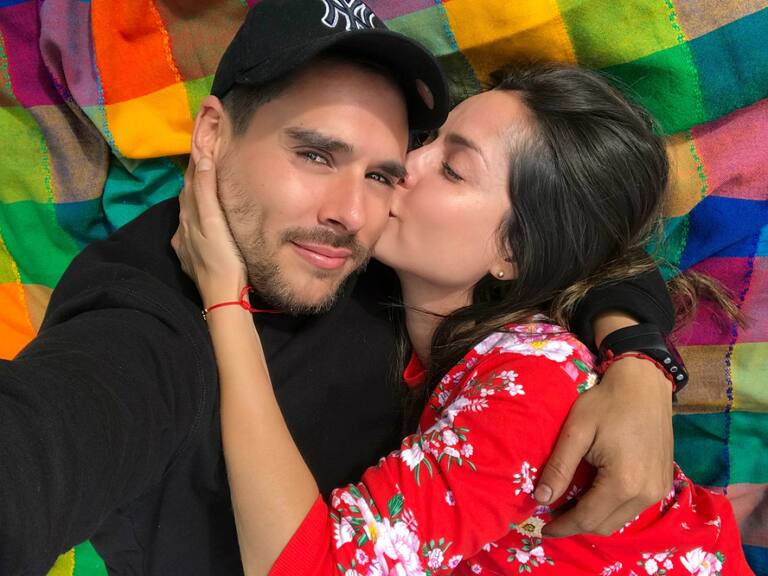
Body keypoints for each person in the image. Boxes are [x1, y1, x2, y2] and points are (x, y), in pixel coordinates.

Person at [0, 1, 678, 574]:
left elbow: (590, 238)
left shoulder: (469, 314)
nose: (355, 209)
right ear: (211, 134)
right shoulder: (143, 317)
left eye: (386, 169)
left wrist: (639, 360)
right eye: (315, 154)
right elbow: (53, 435)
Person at [175, 63, 753, 575]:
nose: (405, 163)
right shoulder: (417, 314)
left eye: (452, 168)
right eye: (425, 139)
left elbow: (311, 568)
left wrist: (224, 297)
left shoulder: (529, 384)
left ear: (515, 252)